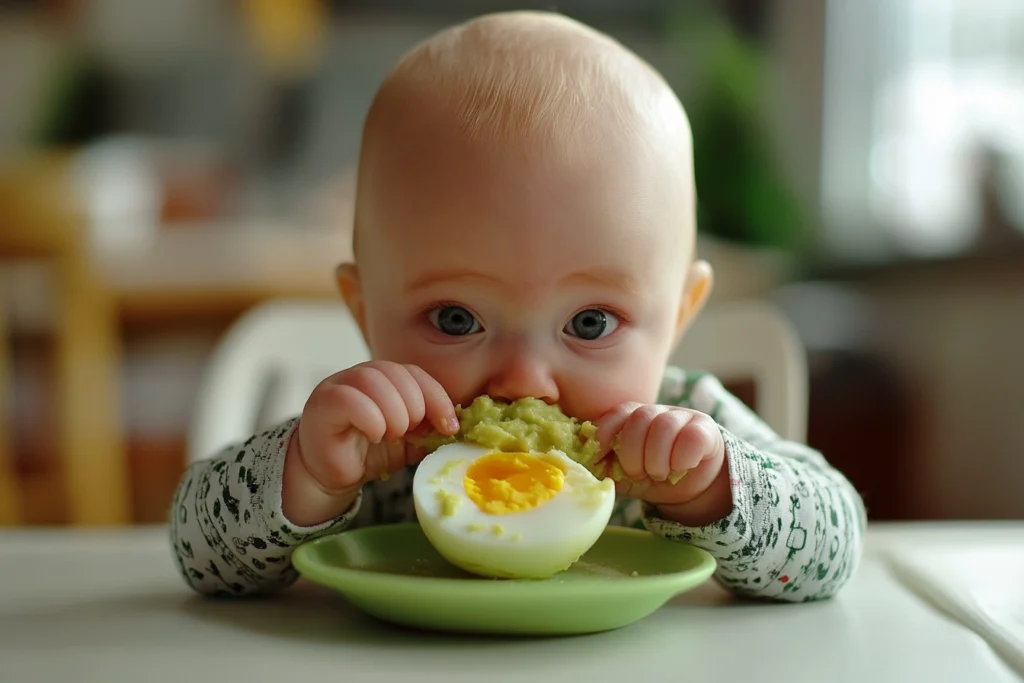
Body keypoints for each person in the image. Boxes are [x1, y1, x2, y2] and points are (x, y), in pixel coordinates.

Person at [170, 11, 865, 602]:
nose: (523, 381)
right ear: (365, 309)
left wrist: (717, 487)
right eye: (455, 319)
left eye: (590, 323)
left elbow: (837, 546)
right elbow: (196, 550)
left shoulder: (688, 433)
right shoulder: (377, 450)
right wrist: (306, 476)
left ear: (680, 315)